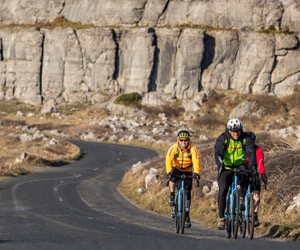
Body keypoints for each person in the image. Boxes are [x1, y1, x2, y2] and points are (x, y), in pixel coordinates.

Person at [214, 118, 256, 230]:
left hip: (240, 165)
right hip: (226, 167)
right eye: (233, 131)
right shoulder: (223, 138)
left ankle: (241, 198)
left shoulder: (245, 138)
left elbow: (251, 152)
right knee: (223, 190)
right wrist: (220, 164)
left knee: (247, 177)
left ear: (241, 129)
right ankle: (221, 219)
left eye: (238, 131)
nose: (236, 134)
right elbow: (218, 152)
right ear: (229, 130)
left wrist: (252, 166)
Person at [165, 129, 201, 228]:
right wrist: (169, 172)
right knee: (172, 178)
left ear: (189, 140)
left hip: (188, 170)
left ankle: (187, 214)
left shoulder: (193, 149)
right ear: (178, 140)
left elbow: (196, 160)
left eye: (185, 140)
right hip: (176, 168)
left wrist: (197, 172)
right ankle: (172, 194)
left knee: (187, 192)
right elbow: (168, 160)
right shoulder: (174, 148)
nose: (183, 142)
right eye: (181, 140)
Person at [245, 131, 268, 227]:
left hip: (253, 173)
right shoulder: (241, 148)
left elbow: (260, 162)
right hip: (242, 172)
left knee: (256, 196)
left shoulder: (258, 149)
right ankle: (237, 209)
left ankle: (254, 215)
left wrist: (262, 173)